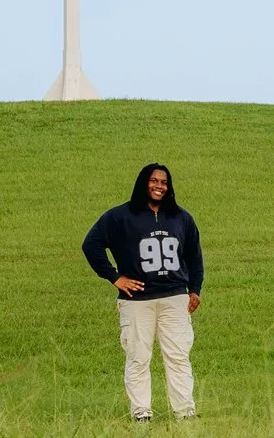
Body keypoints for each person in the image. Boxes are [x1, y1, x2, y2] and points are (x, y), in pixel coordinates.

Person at [81, 162, 204, 421]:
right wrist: (115, 277)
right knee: (138, 357)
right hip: (136, 300)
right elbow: (91, 244)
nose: (159, 186)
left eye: (164, 182)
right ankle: (141, 412)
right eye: (154, 181)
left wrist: (194, 289)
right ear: (142, 182)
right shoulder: (119, 216)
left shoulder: (182, 217)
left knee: (178, 356)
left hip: (174, 297)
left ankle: (185, 412)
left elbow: (194, 255)